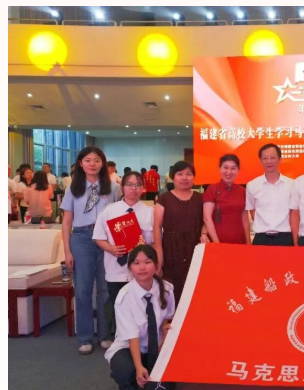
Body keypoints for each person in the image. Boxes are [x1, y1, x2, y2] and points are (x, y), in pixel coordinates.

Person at [61, 146, 121, 355]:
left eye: (96, 160)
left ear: (103, 163)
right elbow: (66, 222)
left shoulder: (113, 187)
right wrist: (67, 251)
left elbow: (119, 216)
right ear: (80, 163)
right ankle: (85, 337)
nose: (92, 164)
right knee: (83, 290)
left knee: (105, 289)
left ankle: (105, 335)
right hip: (82, 238)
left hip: (106, 238)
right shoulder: (73, 188)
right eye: (88, 160)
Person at [104, 245, 176, 390]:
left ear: (156, 265)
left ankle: (148, 376)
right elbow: (132, 336)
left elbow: (167, 318)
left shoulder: (167, 289)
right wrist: (138, 367)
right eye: (136, 263)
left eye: (147, 262)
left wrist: (164, 335)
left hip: (157, 347)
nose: (142, 267)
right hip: (129, 348)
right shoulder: (124, 297)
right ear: (130, 268)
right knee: (124, 369)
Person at [93, 171, 154, 340]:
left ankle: (141, 342)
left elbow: (155, 241)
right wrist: (111, 248)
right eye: (129, 185)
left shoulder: (150, 212)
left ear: (143, 188)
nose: (134, 189)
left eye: (138, 185)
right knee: (117, 306)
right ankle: (120, 340)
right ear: (122, 187)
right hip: (116, 269)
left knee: (141, 307)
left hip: (141, 271)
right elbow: (98, 237)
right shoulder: (109, 211)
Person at [154, 161, 206, 305]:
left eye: (188, 174)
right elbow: (157, 228)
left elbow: (206, 221)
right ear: (173, 177)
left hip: (195, 249)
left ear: (194, 177)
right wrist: (159, 256)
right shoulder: (164, 199)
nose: (184, 178)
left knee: (195, 288)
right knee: (172, 291)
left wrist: (204, 233)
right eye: (180, 174)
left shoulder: (201, 198)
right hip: (171, 250)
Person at [246, 144, 293, 246]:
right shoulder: (252, 185)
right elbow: (252, 211)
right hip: (261, 238)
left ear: (280, 159)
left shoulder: (291, 184)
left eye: (272, 157)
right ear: (260, 160)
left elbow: (294, 213)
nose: (269, 161)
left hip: (285, 238)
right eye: (265, 158)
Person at [204, 154, 250, 245]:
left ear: (238, 170)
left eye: (233, 168)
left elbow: (245, 219)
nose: (229, 172)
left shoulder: (242, 191)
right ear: (219, 169)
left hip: (240, 241)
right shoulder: (212, 189)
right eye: (225, 167)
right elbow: (207, 218)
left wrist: (248, 242)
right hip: (218, 240)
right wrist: (217, 244)